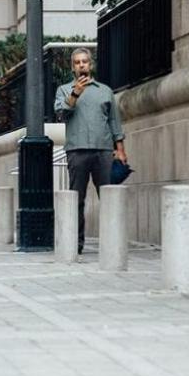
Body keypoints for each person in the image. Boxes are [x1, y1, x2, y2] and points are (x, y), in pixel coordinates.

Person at [54, 48, 127, 254]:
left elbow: (114, 121)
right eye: (77, 62)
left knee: (109, 197)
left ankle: (112, 242)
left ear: (90, 64)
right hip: (77, 151)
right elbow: (61, 113)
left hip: (103, 150)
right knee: (77, 198)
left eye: (85, 61)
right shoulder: (63, 90)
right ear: (72, 67)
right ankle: (76, 243)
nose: (81, 65)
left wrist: (120, 149)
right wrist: (75, 94)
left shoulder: (104, 91)